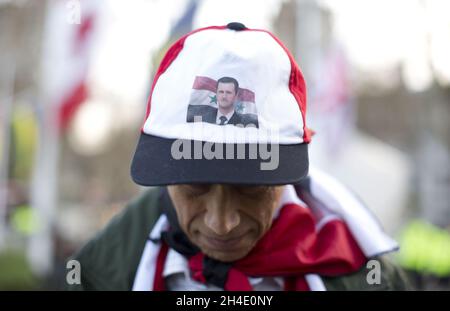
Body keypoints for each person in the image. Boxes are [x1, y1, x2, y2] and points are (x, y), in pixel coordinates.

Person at [67, 22, 410, 291]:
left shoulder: (374, 280)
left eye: (251, 187)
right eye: (194, 186)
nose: (221, 223)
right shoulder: (97, 273)